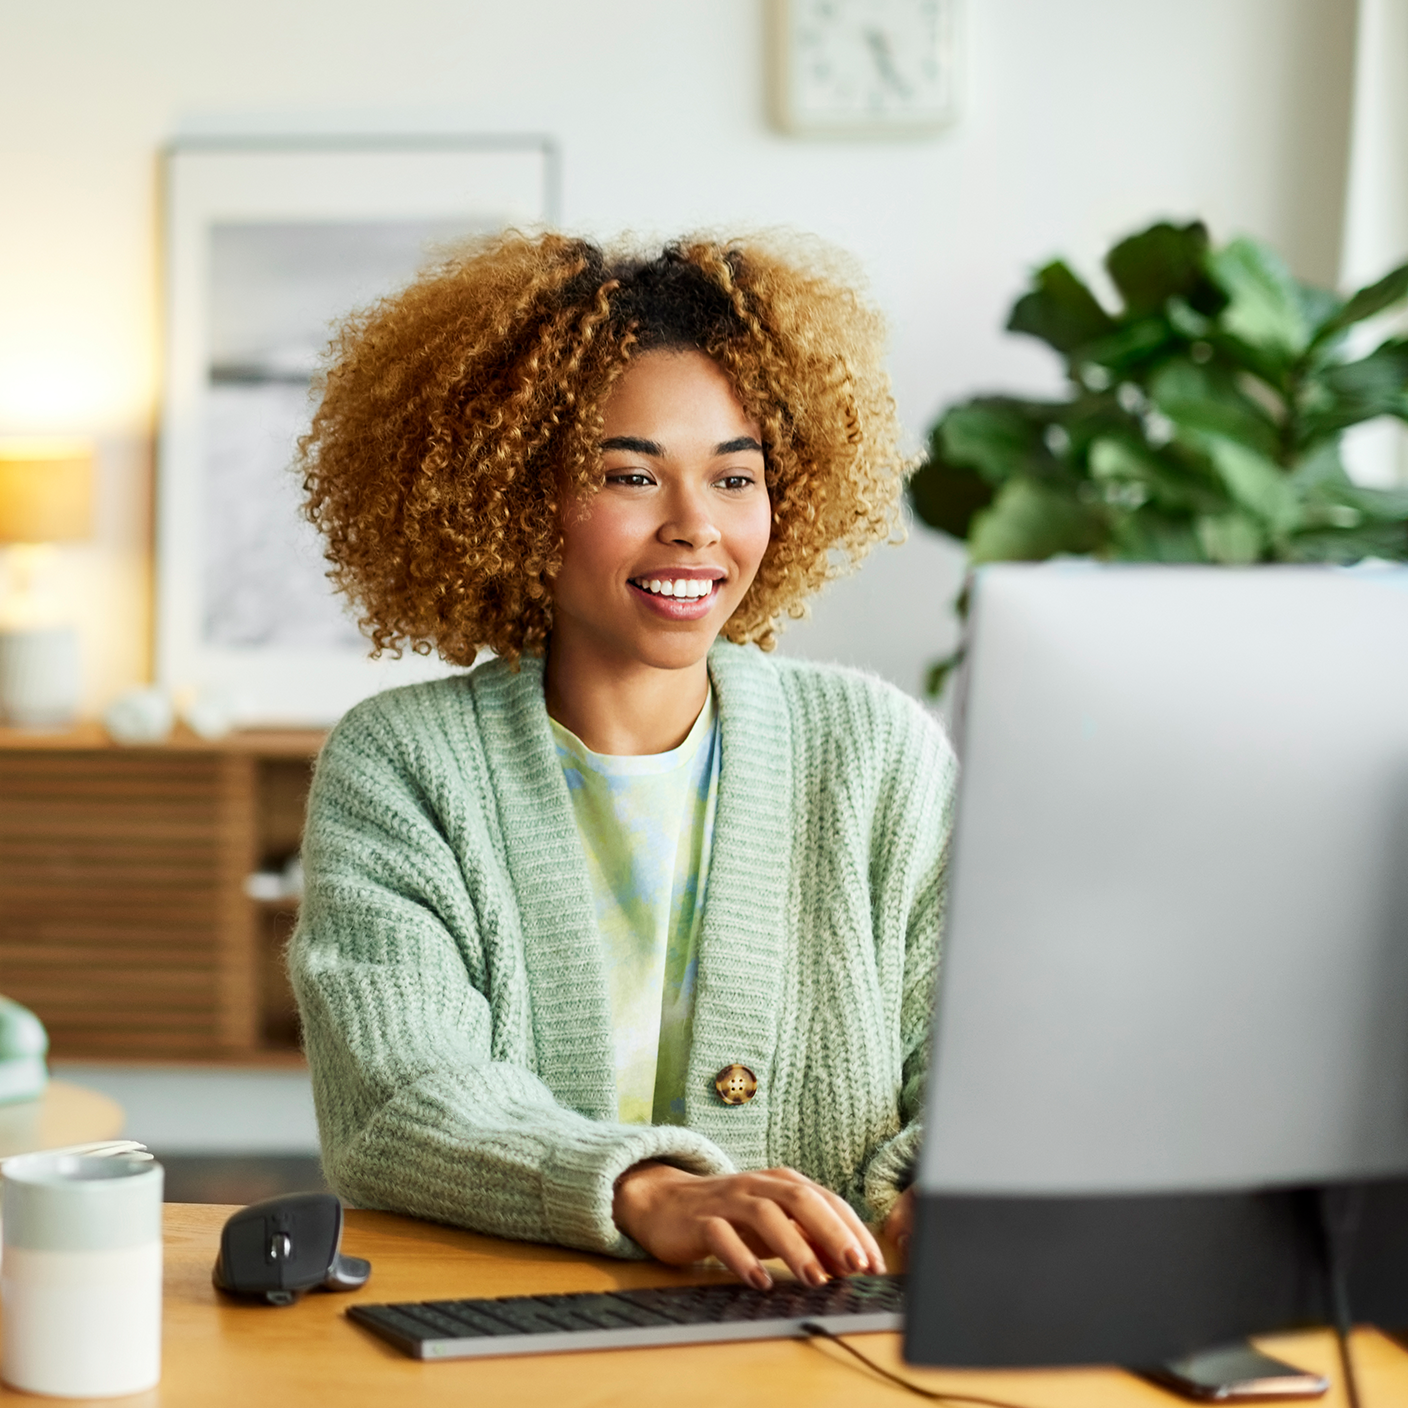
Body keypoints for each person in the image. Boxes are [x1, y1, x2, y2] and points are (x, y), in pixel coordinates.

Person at [289, 231, 956, 1293]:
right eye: (630, 475)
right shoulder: (403, 764)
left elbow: (973, 1058)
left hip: (829, 1338)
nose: (696, 526)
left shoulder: (875, 750)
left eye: (735, 476)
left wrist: (951, 1185)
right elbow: (398, 1094)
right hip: (505, 1326)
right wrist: (648, 1191)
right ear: (512, 495)